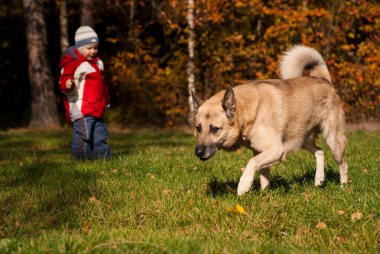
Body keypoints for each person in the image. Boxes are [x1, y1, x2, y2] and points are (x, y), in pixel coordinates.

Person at [59, 26, 111, 160]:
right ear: (80, 48)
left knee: (100, 136)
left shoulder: (98, 63)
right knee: (84, 136)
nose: (93, 51)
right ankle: (82, 162)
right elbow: (63, 80)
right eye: (89, 48)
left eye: (95, 47)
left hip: (97, 108)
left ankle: (103, 159)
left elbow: (102, 86)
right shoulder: (74, 63)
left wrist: (106, 101)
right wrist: (67, 84)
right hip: (82, 109)